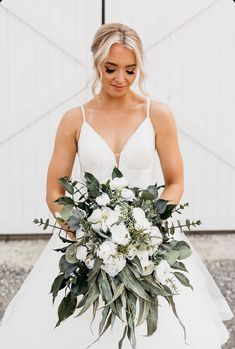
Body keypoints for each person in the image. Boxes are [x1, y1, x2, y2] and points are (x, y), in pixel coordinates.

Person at [0, 22, 233, 349]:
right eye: (110, 69)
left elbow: (175, 182)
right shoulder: (74, 119)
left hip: (148, 238)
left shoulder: (158, 115)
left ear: (139, 68)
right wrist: (80, 234)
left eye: (130, 70)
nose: (120, 79)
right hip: (85, 241)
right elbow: (55, 190)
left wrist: (151, 226)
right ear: (96, 63)